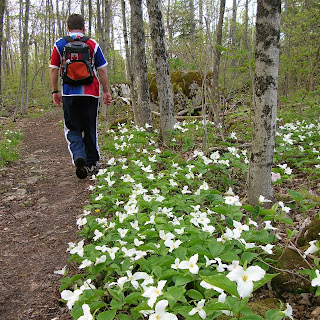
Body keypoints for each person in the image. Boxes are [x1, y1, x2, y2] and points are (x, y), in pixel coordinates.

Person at [49, 14, 112, 179]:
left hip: (70, 93)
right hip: (90, 93)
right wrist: (106, 91)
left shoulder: (60, 44)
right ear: (84, 27)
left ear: (68, 27)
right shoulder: (92, 43)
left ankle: (78, 155)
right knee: (90, 126)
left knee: (72, 127)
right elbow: (102, 69)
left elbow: (54, 69)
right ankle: (91, 163)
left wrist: (55, 91)